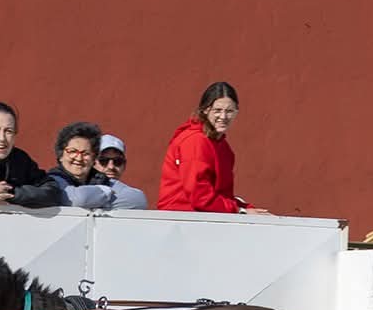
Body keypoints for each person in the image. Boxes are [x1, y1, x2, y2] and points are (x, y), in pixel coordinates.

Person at [158, 81, 265, 214]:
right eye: (217, 110)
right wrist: (240, 210)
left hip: (201, 219)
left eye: (229, 111)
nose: (223, 116)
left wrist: (247, 208)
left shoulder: (223, 147)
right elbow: (199, 196)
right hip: (183, 220)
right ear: (205, 110)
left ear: (237, 112)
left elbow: (221, 195)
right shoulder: (195, 141)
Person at [94, 134, 148, 209]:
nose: (111, 167)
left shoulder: (134, 196)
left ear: (124, 165)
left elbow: (138, 200)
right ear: (92, 163)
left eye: (117, 161)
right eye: (104, 161)